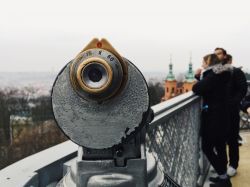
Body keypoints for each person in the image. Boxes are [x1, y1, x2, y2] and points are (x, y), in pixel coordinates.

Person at [192, 54, 232, 187]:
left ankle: (223, 178)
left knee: (207, 147)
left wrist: (198, 77)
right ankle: (223, 177)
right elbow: (209, 87)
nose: (202, 64)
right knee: (220, 146)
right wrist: (200, 77)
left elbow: (197, 89)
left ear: (208, 62)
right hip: (222, 116)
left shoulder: (212, 76)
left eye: (203, 61)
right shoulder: (222, 74)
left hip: (214, 118)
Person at [214, 48, 247, 177]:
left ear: (225, 56)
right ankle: (222, 165)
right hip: (218, 111)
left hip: (231, 111)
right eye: (215, 54)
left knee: (232, 138)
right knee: (219, 139)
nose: (217, 56)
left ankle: (233, 165)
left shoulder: (236, 72)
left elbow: (242, 89)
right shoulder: (216, 72)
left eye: (219, 54)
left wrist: (234, 102)